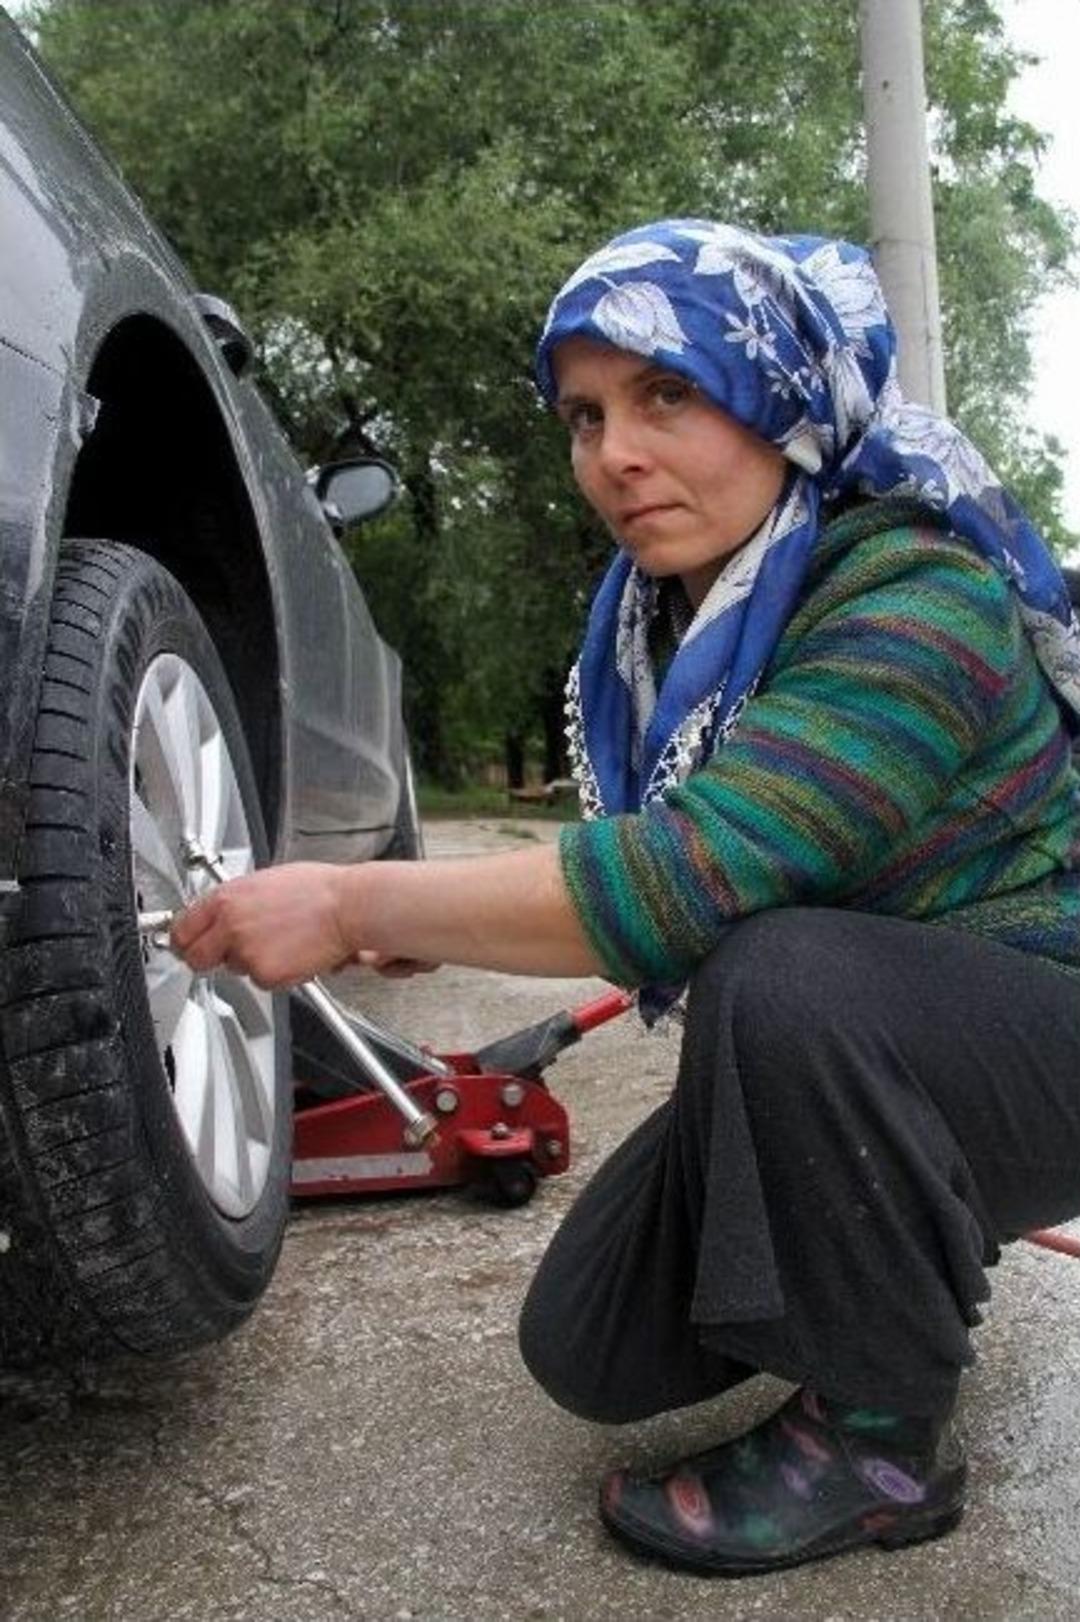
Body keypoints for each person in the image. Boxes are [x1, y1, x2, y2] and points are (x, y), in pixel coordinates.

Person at [172, 220, 1080, 1579]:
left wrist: (367, 905)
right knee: (589, 1338)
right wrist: (458, 910)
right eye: (585, 415)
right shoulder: (671, 624)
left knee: (783, 974)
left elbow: (684, 880)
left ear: (776, 392)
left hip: (1041, 1030)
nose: (615, 454)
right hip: (910, 1042)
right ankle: (911, 1245)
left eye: (668, 394)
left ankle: (880, 1441)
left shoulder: (911, 590)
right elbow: (651, 853)